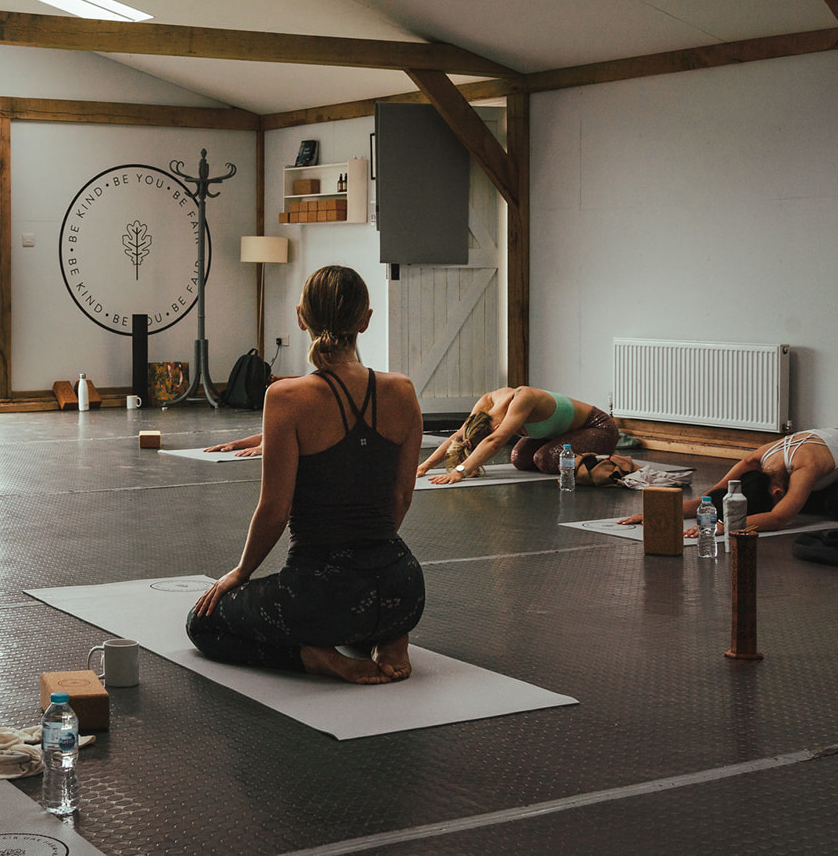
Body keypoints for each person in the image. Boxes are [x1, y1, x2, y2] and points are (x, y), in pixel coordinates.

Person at [187, 265, 425, 684]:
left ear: (300, 317)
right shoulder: (402, 390)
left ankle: (319, 658)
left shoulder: (286, 397)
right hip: (402, 588)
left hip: (322, 594)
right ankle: (391, 635)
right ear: (366, 320)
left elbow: (275, 510)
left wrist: (240, 573)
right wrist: (369, 551)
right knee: (360, 608)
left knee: (202, 624)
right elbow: (402, 497)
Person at [617, 427, 838, 533]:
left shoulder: (804, 468)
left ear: (774, 489)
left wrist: (727, 526)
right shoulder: (755, 461)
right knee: (808, 501)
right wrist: (658, 512)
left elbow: (778, 518)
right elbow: (712, 496)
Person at [416, 386, 618, 484]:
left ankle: (597, 456)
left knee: (545, 459)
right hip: (558, 434)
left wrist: (459, 471)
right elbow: (459, 435)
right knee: (519, 458)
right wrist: (425, 466)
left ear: (494, 429)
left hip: (599, 428)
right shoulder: (485, 404)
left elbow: (495, 443)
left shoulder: (523, 398)